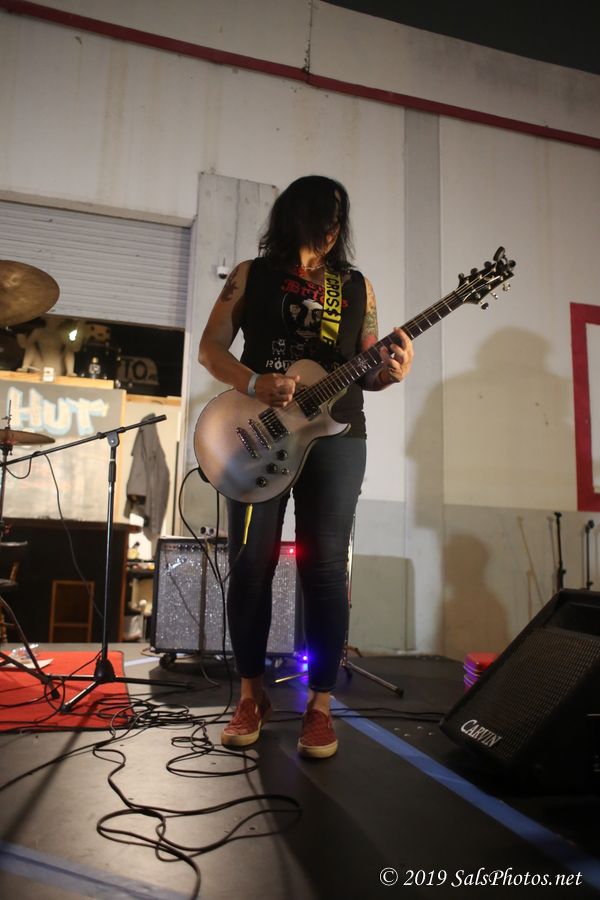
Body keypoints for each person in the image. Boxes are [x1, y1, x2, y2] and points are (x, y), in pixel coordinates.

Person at [198, 175, 414, 758]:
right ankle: (252, 694)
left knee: (325, 569)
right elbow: (210, 348)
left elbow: (368, 367)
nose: (332, 228)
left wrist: (390, 374)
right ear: (296, 215)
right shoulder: (251, 274)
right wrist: (253, 382)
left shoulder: (358, 287)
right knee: (250, 564)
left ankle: (320, 704)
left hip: (338, 434)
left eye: (339, 218)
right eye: (323, 215)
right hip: (258, 433)